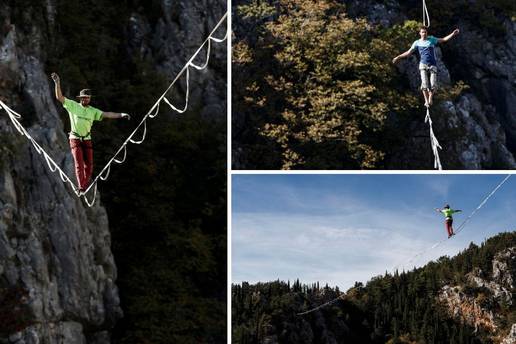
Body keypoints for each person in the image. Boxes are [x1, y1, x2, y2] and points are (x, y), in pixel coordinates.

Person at [51, 72, 131, 194]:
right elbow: (59, 97)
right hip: (75, 138)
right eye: (84, 98)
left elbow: (107, 114)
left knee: (89, 165)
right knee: (79, 163)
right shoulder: (73, 106)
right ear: (81, 98)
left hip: (86, 139)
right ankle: (81, 187)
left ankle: (83, 185)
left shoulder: (93, 111)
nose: (86, 99)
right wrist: (57, 83)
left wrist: (121, 115)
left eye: (88, 98)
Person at [392, 26, 460, 107]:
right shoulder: (417, 42)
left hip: (432, 65)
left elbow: (443, 39)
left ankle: (430, 98)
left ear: (427, 33)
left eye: (425, 32)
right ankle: (426, 100)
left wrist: (452, 34)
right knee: (424, 84)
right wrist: (398, 57)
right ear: (420, 33)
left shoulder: (431, 39)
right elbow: (409, 52)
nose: (424, 34)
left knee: (433, 84)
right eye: (422, 32)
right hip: (423, 64)